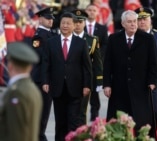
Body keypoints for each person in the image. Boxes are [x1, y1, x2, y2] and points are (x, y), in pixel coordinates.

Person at [103, 10, 157, 139]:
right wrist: (107, 84)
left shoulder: (148, 39)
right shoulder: (113, 39)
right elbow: (107, 65)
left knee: (142, 123)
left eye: (135, 21)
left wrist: (152, 82)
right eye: (129, 22)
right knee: (118, 123)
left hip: (141, 88)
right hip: (119, 89)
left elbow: (153, 64)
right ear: (123, 24)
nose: (133, 24)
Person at [42, 12, 92, 141]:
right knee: (60, 122)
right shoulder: (50, 42)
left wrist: (87, 85)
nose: (65, 25)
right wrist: (45, 81)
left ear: (74, 25)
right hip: (57, 88)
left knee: (73, 121)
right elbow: (46, 64)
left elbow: (86, 67)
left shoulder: (81, 43)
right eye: (63, 23)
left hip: (76, 88)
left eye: (68, 23)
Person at [135, 7, 157, 130]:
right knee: (138, 114)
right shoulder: (132, 36)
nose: (142, 22)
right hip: (136, 81)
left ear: (150, 20)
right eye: (139, 19)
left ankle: (152, 135)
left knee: (155, 111)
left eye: (144, 19)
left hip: (154, 80)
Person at [0, 42, 42, 141]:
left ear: (10, 65)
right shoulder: (31, 87)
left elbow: (15, 131)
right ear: (30, 67)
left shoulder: (17, 92)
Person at [72, 9, 103, 123]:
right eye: (75, 22)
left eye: (80, 22)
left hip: (85, 80)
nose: (78, 24)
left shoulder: (92, 40)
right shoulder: (66, 38)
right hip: (68, 78)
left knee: (81, 111)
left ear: (84, 23)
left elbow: (97, 62)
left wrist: (99, 81)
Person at [31, 7, 57, 141]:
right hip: (41, 79)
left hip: (48, 78)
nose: (50, 21)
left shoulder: (51, 34)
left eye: (51, 19)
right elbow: (38, 55)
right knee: (42, 112)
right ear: (40, 19)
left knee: (45, 111)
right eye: (47, 19)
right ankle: (39, 136)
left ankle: (40, 135)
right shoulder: (38, 36)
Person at [85, 3, 108, 121]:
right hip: (82, 65)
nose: (91, 12)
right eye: (89, 10)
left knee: (94, 93)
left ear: (97, 12)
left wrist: (97, 57)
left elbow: (105, 45)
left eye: (94, 10)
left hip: (95, 65)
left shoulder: (102, 28)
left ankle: (94, 116)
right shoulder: (79, 26)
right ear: (85, 11)